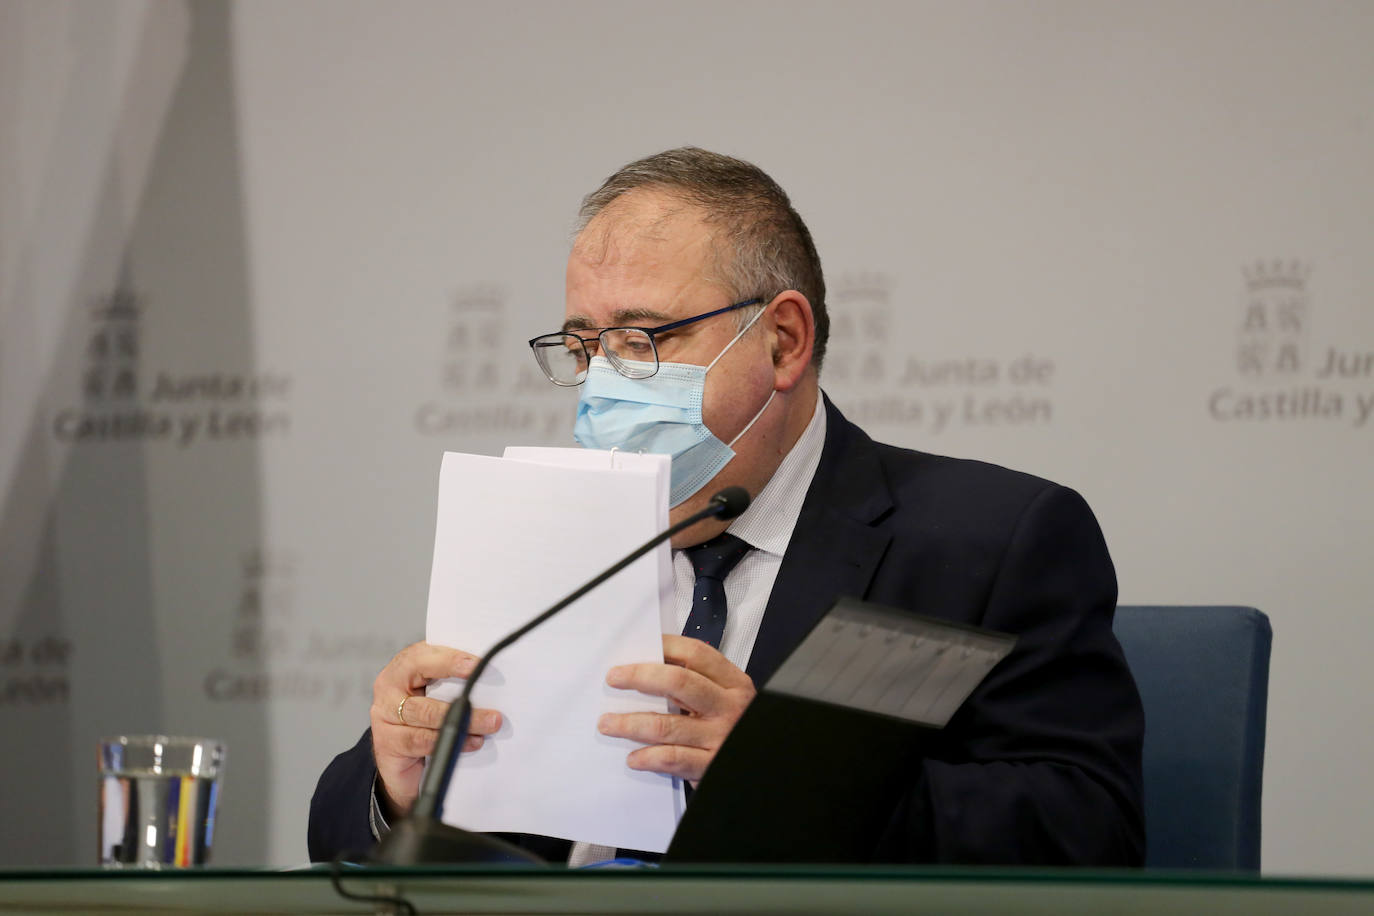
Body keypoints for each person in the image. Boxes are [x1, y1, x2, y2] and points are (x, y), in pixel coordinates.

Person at [308, 147, 1144, 866]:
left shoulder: (976, 542)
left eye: (644, 340)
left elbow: (1086, 832)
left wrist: (783, 780)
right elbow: (343, 837)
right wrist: (398, 783)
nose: (602, 380)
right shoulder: (556, 543)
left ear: (783, 341)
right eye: (583, 346)